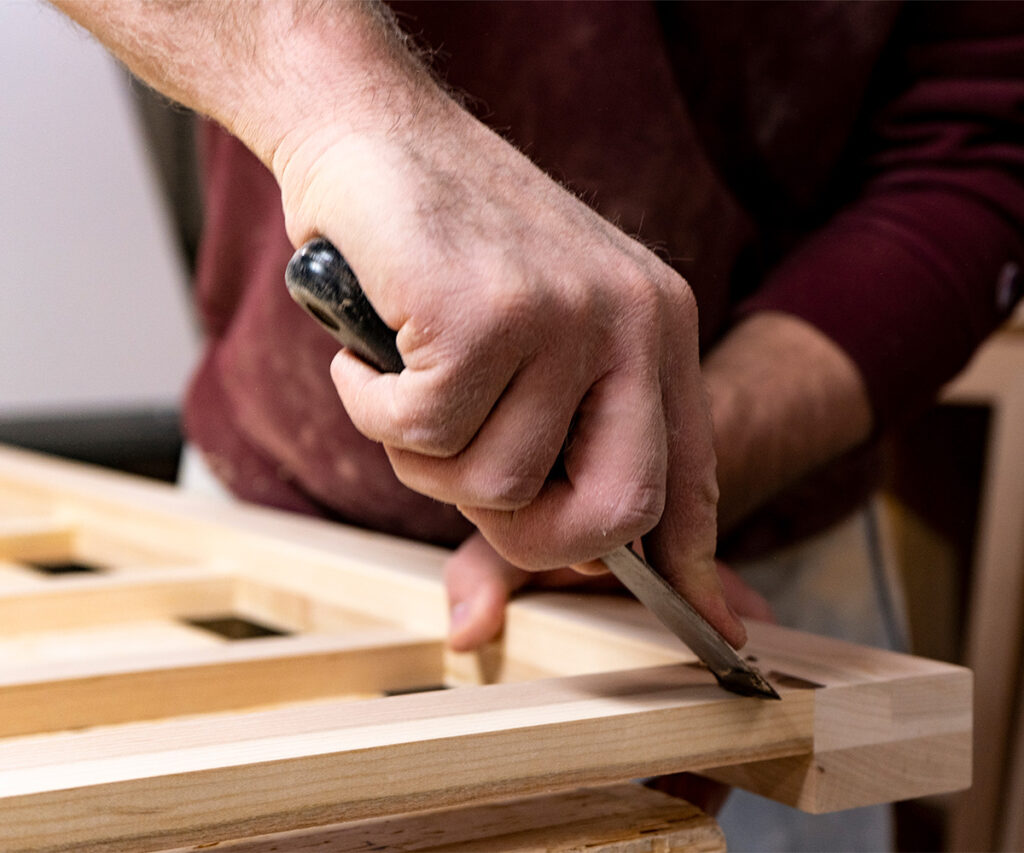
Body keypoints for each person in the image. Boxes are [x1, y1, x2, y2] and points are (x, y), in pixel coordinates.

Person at [54, 2, 1024, 850]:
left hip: (743, 578)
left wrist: (672, 450)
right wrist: (346, 113)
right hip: (269, 541)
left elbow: (980, 141)